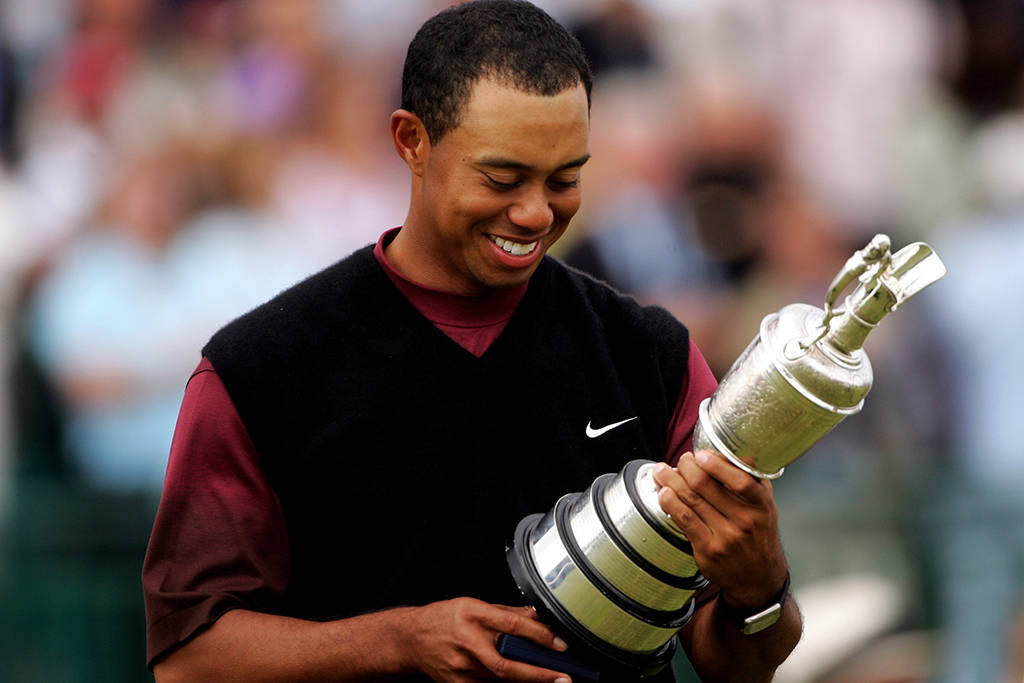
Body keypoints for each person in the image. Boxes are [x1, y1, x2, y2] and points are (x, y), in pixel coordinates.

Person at [142, 2, 801, 681]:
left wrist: (761, 585)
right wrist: (400, 639)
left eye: (565, 179)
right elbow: (189, 657)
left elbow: (735, 664)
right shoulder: (259, 369)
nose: (536, 212)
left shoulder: (649, 355)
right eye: (502, 178)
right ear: (410, 141)